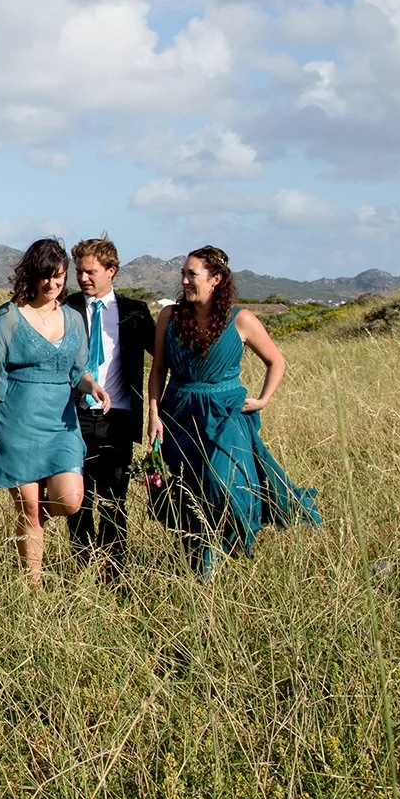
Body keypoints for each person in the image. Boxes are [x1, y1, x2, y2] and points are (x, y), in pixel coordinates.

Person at [147, 245, 321, 577]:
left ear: (216, 279)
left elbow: (276, 361)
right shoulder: (169, 316)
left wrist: (263, 399)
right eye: (183, 274)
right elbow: (158, 370)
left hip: (226, 413)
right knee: (187, 487)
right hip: (179, 412)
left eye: (192, 274)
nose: (184, 281)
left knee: (223, 482)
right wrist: (153, 414)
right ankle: (199, 559)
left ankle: (230, 546)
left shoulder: (241, 320)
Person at [0, 238, 107, 586]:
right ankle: (31, 585)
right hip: (16, 421)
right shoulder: (9, 317)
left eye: (59, 276)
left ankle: (34, 521)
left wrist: (93, 386)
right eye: (46, 276)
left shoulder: (73, 319)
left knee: (71, 500)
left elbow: (78, 371)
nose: (52, 284)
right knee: (28, 508)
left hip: (61, 425)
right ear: (32, 275)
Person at [64, 237, 156, 579]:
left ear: (111, 271)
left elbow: (163, 357)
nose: (82, 278)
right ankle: (81, 569)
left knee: (115, 499)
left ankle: (115, 571)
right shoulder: (67, 307)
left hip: (118, 418)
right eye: (79, 271)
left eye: (90, 271)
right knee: (77, 499)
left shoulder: (135, 312)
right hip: (73, 417)